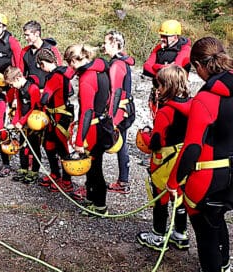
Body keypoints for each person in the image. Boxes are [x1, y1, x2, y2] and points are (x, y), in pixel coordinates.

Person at [167, 37, 233, 272]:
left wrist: (174, 182)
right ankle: (225, 268)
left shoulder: (207, 98)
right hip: (230, 173)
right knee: (219, 221)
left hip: (209, 177)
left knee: (206, 232)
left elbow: (192, 148)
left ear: (198, 65)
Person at [136, 65, 190, 252]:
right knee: (180, 196)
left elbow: (156, 142)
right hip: (182, 158)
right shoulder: (190, 105)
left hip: (165, 160)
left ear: (167, 86)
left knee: (161, 199)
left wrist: (145, 135)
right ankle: (180, 233)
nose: (157, 89)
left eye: (159, 85)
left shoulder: (166, 111)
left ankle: (158, 235)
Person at [64, 44, 111, 214]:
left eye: (71, 62)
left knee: (94, 168)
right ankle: (93, 200)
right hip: (103, 122)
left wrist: (78, 141)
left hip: (93, 127)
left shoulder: (87, 78)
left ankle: (99, 205)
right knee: (94, 166)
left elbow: (86, 111)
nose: (70, 67)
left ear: (77, 59)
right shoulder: (99, 67)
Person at [36, 48, 74, 192]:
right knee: (49, 145)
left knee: (63, 148)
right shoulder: (63, 74)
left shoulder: (54, 77)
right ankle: (55, 174)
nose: (41, 69)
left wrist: (42, 94)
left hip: (59, 117)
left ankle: (66, 180)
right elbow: (70, 91)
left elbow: (45, 98)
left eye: (41, 65)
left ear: (43, 63)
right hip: (59, 115)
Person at [102, 30, 136, 194]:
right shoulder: (123, 62)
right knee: (122, 144)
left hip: (119, 111)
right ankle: (123, 180)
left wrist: (111, 118)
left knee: (119, 144)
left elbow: (115, 92)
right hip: (125, 109)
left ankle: (123, 181)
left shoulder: (117, 65)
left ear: (115, 44)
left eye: (106, 43)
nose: (103, 46)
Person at [143, 19, 191, 118]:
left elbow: (175, 70)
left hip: (175, 95)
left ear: (175, 36)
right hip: (159, 93)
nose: (162, 39)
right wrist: (164, 68)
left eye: (165, 36)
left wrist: (155, 66)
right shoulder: (159, 48)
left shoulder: (185, 49)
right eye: (161, 36)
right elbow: (146, 68)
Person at [4, 66, 41, 184]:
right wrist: (14, 122)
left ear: (18, 78)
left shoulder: (33, 88)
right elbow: (19, 108)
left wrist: (22, 121)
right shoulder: (18, 90)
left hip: (34, 123)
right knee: (23, 147)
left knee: (34, 147)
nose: (11, 87)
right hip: (23, 125)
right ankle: (23, 169)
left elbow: (34, 108)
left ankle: (34, 171)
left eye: (12, 84)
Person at [20, 20, 62, 89]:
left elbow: (59, 71)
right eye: (25, 35)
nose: (26, 38)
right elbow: (21, 74)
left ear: (37, 33)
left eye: (28, 35)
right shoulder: (25, 51)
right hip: (32, 92)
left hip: (49, 91)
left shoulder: (51, 49)